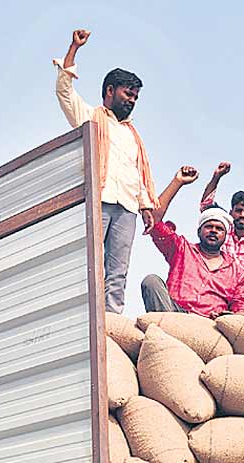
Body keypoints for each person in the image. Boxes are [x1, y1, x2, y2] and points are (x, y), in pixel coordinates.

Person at [53, 28, 159, 313]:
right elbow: (64, 91)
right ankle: (84, 317)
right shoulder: (90, 117)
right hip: (99, 200)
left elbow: (136, 175)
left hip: (127, 207)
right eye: (128, 93)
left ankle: (111, 322)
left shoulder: (132, 135)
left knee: (118, 270)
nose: (132, 100)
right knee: (89, 263)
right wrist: (74, 49)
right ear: (110, 91)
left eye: (135, 96)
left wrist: (146, 206)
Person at [140, 166, 244, 318]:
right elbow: (154, 220)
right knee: (151, 281)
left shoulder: (236, 272)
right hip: (176, 315)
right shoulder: (181, 250)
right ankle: (169, 332)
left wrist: (228, 318)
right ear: (199, 231)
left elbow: (240, 306)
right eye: (208, 226)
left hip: (211, 324)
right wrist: (177, 182)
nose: (213, 230)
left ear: (226, 236)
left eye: (219, 228)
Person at [198, 162, 244, 318]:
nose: (242, 215)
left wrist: (238, 286)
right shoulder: (223, 231)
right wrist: (217, 177)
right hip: (222, 284)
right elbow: (206, 206)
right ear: (231, 212)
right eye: (238, 211)